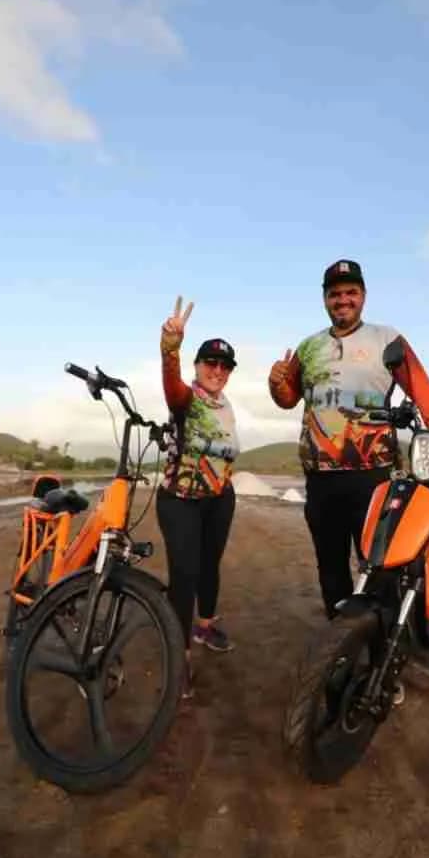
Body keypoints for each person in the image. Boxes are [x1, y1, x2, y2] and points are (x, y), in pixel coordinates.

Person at [268, 259, 429, 704]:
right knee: (331, 570)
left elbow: (426, 397)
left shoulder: (387, 340)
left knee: (381, 572)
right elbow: (287, 399)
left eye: (350, 291)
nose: (342, 299)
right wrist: (276, 383)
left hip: (373, 478)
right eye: (334, 293)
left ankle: (383, 661)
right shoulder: (308, 347)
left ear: (363, 296)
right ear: (325, 299)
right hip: (322, 480)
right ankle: (339, 654)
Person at [156, 296, 239, 696]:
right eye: (211, 363)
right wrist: (170, 347)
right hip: (180, 501)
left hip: (219, 500)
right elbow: (170, 388)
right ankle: (179, 656)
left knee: (210, 566)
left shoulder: (226, 408)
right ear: (198, 365)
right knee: (184, 575)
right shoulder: (186, 398)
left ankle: (205, 627)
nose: (218, 370)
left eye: (225, 366)